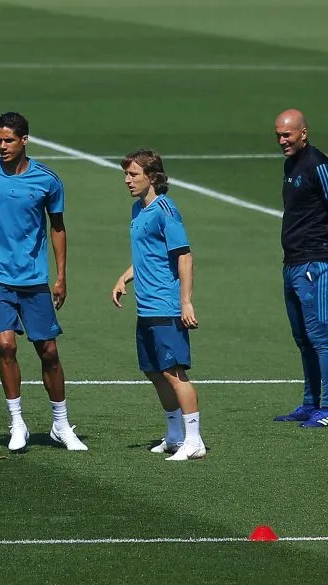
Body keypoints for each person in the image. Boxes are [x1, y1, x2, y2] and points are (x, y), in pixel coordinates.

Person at [0, 111, 87, 452]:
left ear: (24, 140)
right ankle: (17, 422)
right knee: (6, 346)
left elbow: (57, 228)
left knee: (48, 352)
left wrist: (61, 276)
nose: (2, 146)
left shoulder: (47, 180)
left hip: (34, 280)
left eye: (9, 140)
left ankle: (61, 424)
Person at [111, 150, 205, 461]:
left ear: (152, 177)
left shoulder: (166, 210)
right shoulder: (138, 210)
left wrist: (185, 302)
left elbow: (184, 256)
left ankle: (195, 441)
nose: (127, 180)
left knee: (174, 372)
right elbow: (148, 255)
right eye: (126, 174)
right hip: (146, 307)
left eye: (133, 174)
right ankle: (175, 434)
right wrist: (125, 277)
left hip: (166, 306)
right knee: (155, 372)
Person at [272, 109, 328, 428]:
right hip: (292, 263)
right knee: (302, 338)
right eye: (278, 135)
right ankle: (310, 403)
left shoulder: (319, 166)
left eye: (287, 135)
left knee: (320, 336)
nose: (281, 140)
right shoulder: (291, 164)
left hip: (315, 264)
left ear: (303, 133)